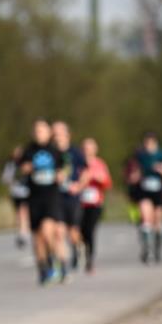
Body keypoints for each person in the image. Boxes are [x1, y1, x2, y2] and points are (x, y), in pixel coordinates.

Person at [18, 119, 68, 285]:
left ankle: (59, 262)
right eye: (36, 131)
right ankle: (43, 268)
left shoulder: (55, 151)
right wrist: (25, 168)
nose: (39, 133)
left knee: (48, 231)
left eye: (42, 130)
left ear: (48, 133)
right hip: (34, 197)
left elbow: (66, 168)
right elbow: (20, 169)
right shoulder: (28, 150)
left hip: (51, 197)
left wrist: (61, 175)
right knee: (37, 237)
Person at [129, 131, 162, 264]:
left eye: (151, 143)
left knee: (157, 222)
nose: (148, 146)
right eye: (146, 143)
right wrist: (135, 176)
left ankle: (157, 247)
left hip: (158, 191)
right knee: (145, 217)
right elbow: (132, 171)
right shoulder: (140, 155)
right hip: (144, 191)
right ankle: (146, 247)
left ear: (155, 143)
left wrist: (161, 169)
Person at [52, 121, 86, 271]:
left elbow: (86, 171)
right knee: (59, 231)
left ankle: (78, 248)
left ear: (67, 135)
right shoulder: (50, 152)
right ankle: (61, 261)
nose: (57, 136)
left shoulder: (75, 152)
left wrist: (78, 186)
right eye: (55, 133)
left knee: (72, 231)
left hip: (71, 197)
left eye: (60, 133)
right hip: (55, 196)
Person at [75, 138, 112, 274]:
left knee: (90, 231)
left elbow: (108, 183)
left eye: (90, 148)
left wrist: (97, 177)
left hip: (95, 203)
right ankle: (77, 253)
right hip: (78, 202)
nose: (87, 151)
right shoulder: (77, 163)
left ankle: (90, 260)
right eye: (85, 148)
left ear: (95, 150)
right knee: (76, 229)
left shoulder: (100, 164)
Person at [1, 146, 30, 249]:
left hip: (26, 192)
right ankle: (22, 230)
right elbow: (5, 179)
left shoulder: (27, 164)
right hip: (16, 192)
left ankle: (24, 232)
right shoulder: (10, 165)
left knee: (24, 211)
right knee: (19, 213)